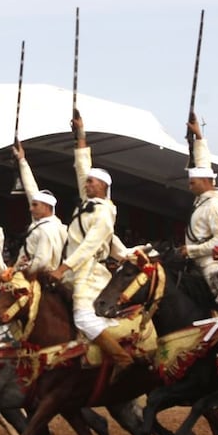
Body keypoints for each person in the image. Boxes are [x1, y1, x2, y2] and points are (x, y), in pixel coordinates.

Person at [47, 110, 132, 367]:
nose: (87, 184)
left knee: (83, 318)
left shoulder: (105, 211)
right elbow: (82, 168)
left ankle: (121, 358)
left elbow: (90, 245)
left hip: (90, 272)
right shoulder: (88, 203)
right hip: (75, 272)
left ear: (104, 186)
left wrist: (63, 268)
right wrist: (80, 136)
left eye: (92, 182)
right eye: (87, 182)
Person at [181, 113, 218, 318]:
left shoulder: (214, 205)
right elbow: (203, 165)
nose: (189, 185)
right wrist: (199, 138)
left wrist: (191, 251)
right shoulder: (204, 197)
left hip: (212, 264)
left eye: (192, 182)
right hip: (197, 261)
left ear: (204, 182)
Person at [11, 139, 67, 276]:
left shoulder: (48, 229)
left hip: (36, 277)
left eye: (35, 205)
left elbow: (42, 261)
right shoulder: (44, 222)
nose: (31, 209)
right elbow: (31, 190)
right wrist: (22, 161)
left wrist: (19, 272)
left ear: (47, 207)